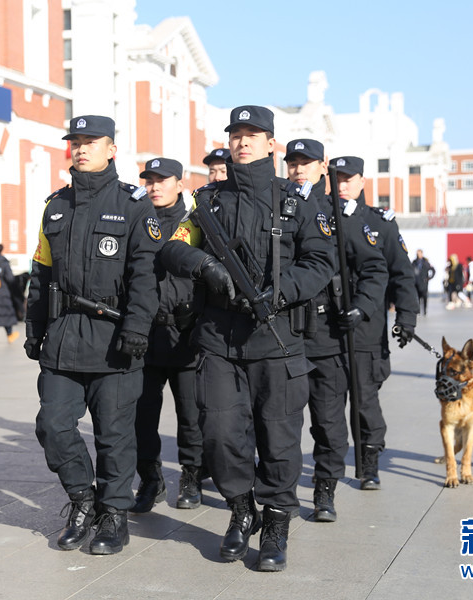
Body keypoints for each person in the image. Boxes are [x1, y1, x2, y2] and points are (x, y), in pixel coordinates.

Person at [161, 107, 336, 571]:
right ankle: (241, 509)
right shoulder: (208, 202)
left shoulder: (297, 203)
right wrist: (206, 267)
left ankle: (276, 520)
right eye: (236, 135)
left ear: (272, 145)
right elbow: (174, 245)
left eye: (252, 135)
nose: (242, 142)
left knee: (279, 437)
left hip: (277, 339)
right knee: (218, 434)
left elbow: (320, 263)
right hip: (219, 339)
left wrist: (279, 293)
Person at [25, 115, 160, 556]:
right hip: (64, 338)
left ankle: (113, 516)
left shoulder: (135, 204)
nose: (81, 149)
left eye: (90, 141)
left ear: (112, 149)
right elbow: (40, 274)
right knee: (53, 424)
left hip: (115, 338)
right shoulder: (55, 206)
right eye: (75, 142)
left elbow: (146, 276)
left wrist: (138, 329)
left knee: (115, 435)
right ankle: (83, 500)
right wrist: (34, 329)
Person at [284, 143, 387, 523]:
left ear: (322, 167)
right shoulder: (279, 204)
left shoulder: (338, 214)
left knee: (328, 422)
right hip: (287, 333)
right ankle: (282, 490)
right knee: (283, 422)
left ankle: (325, 488)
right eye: (292, 163)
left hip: (328, 334)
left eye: (305, 164)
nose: (298, 170)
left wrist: (361, 305)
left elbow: (375, 268)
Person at [330, 155, 419, 493]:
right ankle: (333, 465)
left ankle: (369, 464)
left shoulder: (380, 223)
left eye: (348, 179)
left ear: (362, 182)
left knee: (365, 401)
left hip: (367, 330)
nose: (342, 186)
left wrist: (407, 318)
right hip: (328, 327)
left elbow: (402, 275)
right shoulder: (322, 218)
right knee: (331, 404)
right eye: (337, 180)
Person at [129, 157, 205, 514]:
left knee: (190, 414)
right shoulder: (136, 218)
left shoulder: (197, 219)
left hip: (186, 333)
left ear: (180, 182)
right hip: (145, 333)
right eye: (149, 180)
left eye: (162, 180)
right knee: (143, 414)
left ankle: (190, 476)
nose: (154, 186)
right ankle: (151, 479)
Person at [412, 249, 435, 315]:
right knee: (417, 297)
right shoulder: (414, 262)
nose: (418, 255)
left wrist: (429, 278)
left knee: (424, 297)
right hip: (416, 282)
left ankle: (424, 310)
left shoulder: (425, 262)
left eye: (419, 253)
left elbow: (433, 270)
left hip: (424, 283)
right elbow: (410, 269)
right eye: (417, 254)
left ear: (422, 254)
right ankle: (418, 310)